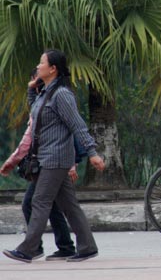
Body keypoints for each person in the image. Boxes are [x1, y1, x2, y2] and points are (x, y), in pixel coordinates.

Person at [3, 49, 105, 263]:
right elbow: (35, 113)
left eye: (42, 63)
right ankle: (87, 247)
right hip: (46, 157)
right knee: (69, 205)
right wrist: (32, 90)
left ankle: (28, 249)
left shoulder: (62, 95)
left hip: (56, 158)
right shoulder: (45, 93)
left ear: (53, 69)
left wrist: (92, 152)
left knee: (39, 202)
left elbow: (77, 124)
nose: (38, 66)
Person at [0, 69, 78, 260]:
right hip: (50, 160)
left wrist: (11, 162)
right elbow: (35, 109)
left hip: (52, 161)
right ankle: (68, 246)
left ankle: (32, 248)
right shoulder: (45, 102)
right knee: (57, 206)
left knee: (33, 203)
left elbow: (73, 130)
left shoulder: (53, 101)